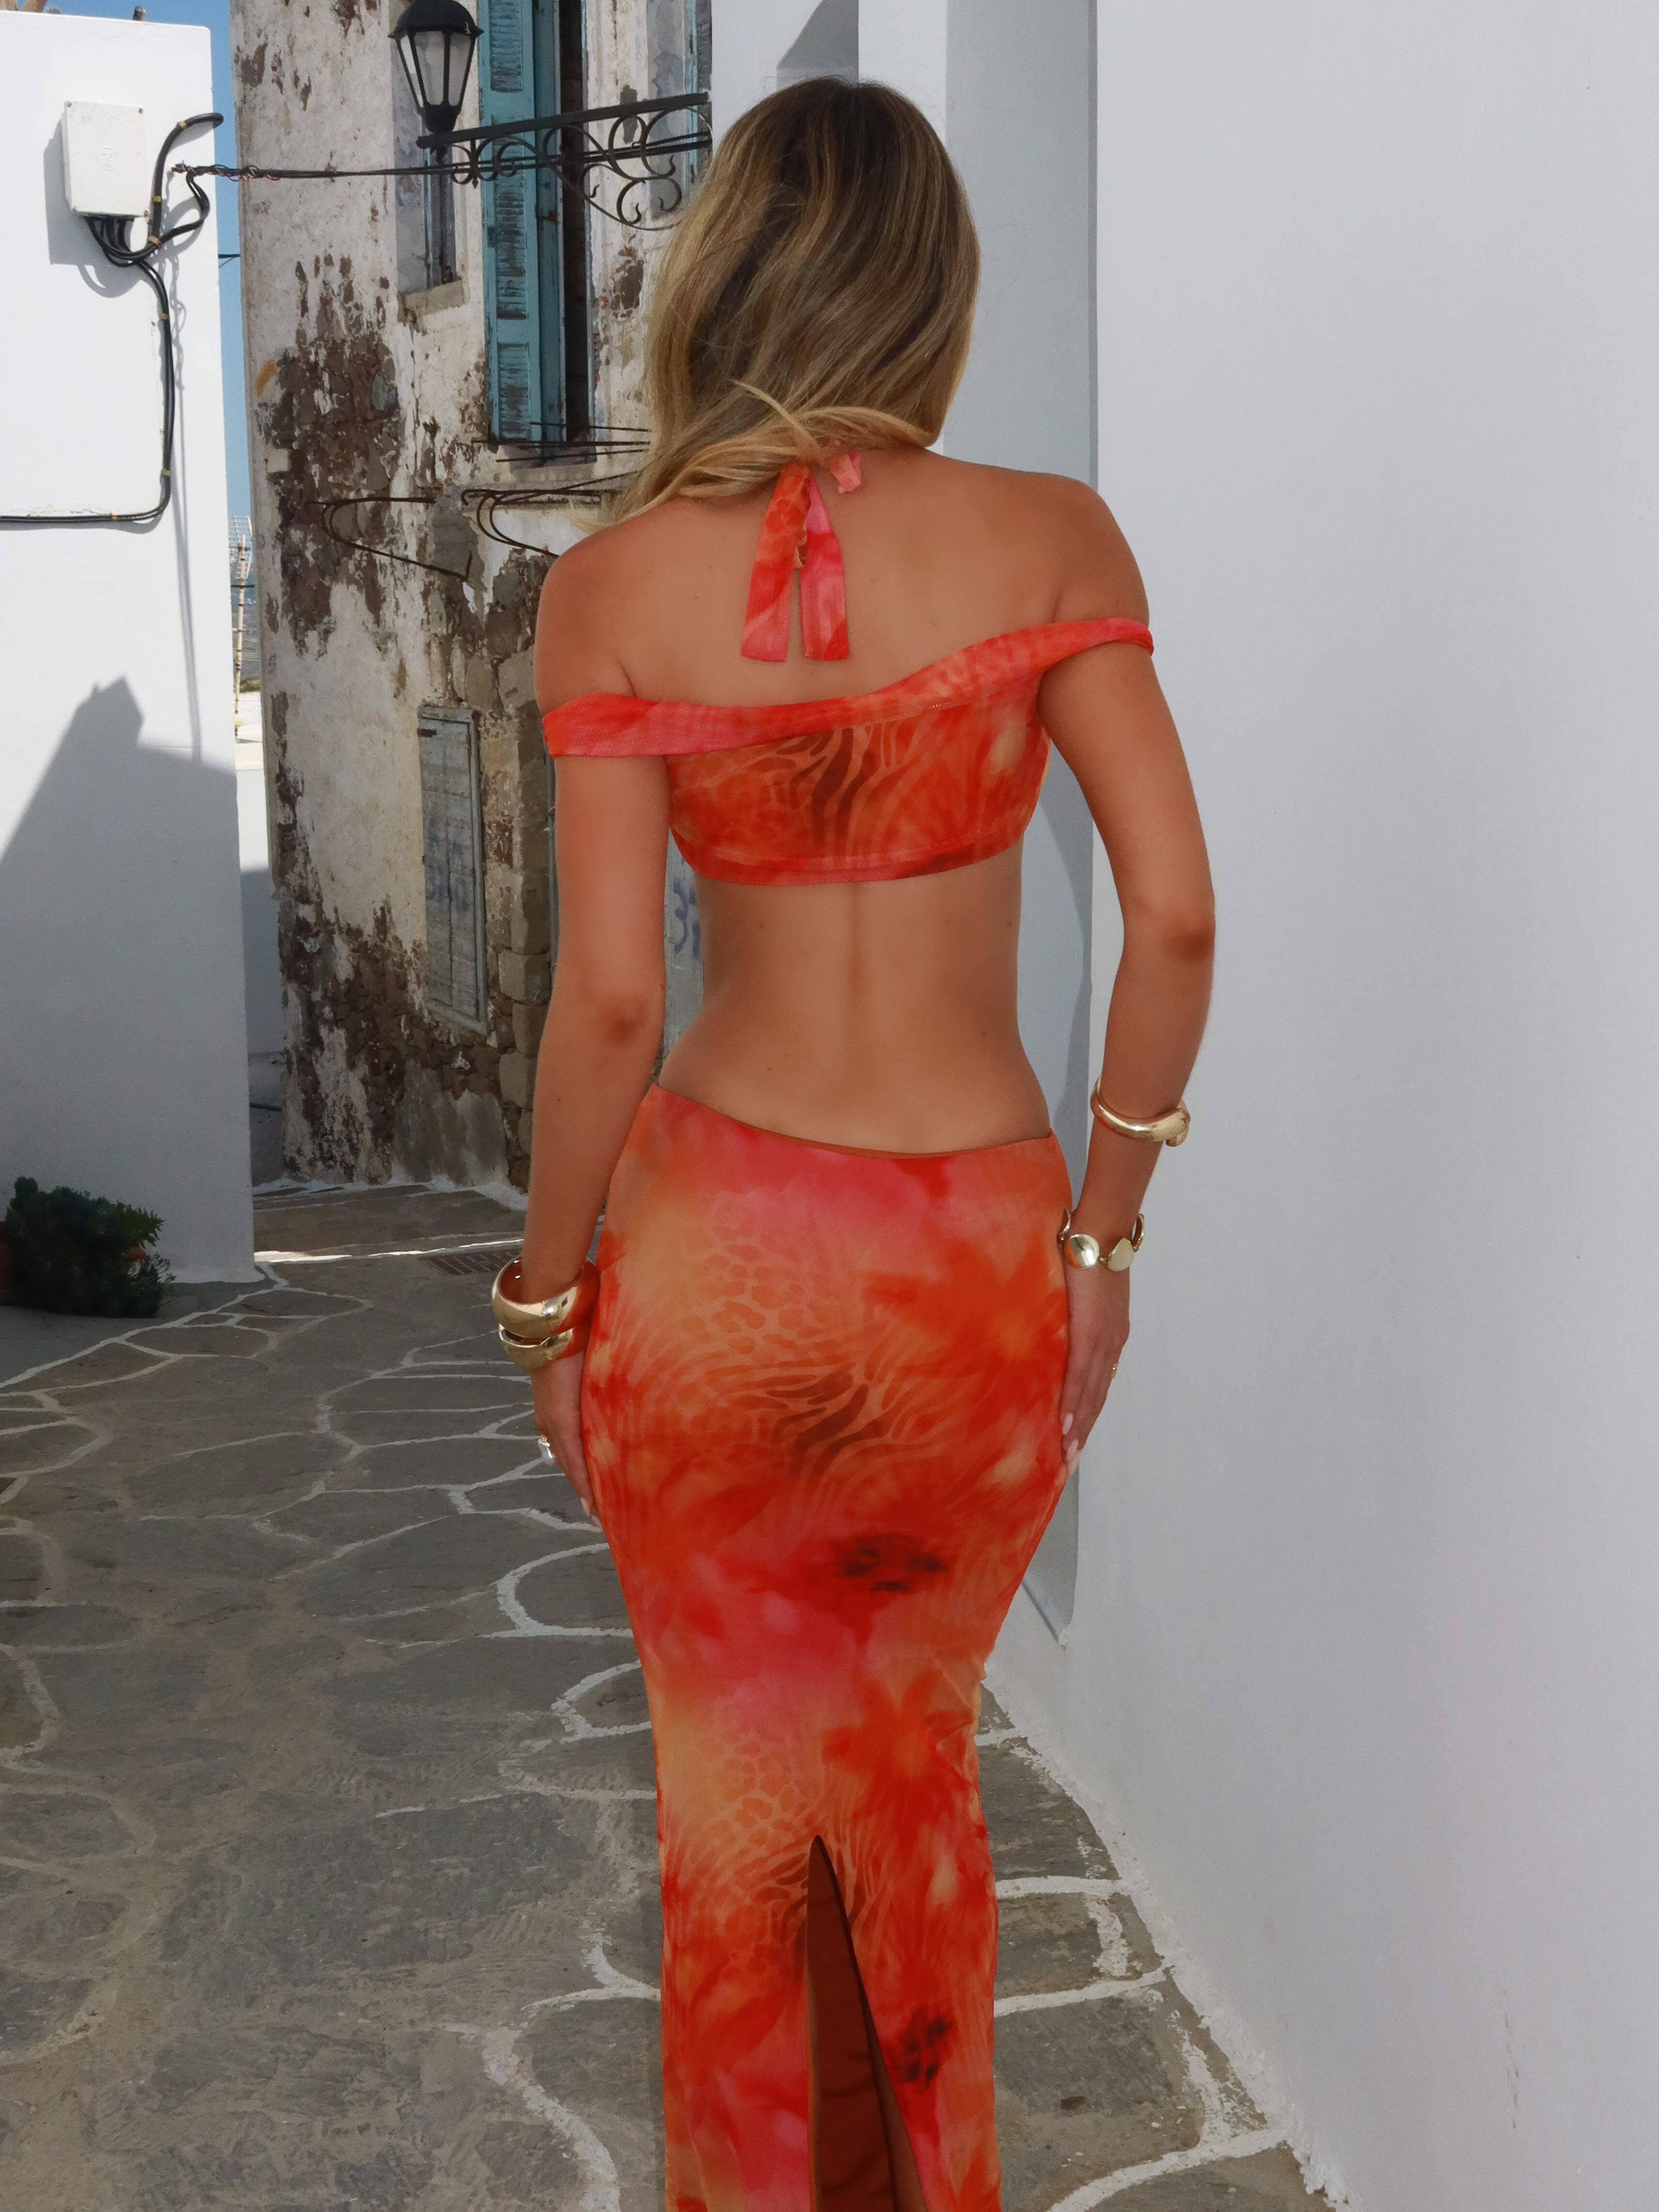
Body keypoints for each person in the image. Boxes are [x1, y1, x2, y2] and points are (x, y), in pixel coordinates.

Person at [492, 75, 1214, 2212]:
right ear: (932, 290)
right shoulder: (1051, 536)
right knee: (908, 1782)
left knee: (732, 1813)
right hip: (967, 1273)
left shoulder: (612, 585)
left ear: (718, 280)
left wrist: (542, 1297)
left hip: (716, 1260)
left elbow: (609, 1007)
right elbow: (1174, 914)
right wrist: (1103, 1242)